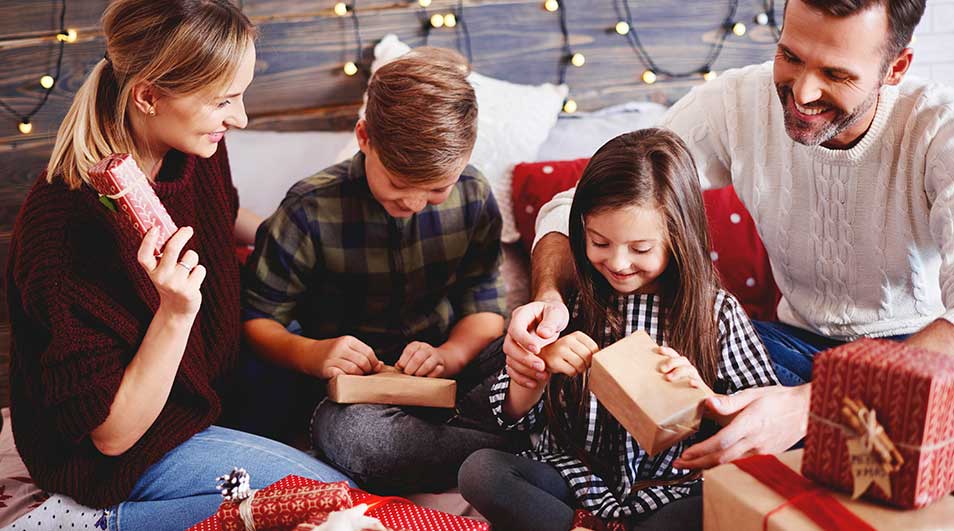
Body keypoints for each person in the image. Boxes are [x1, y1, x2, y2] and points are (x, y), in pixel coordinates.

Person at [506, 0, 954, 470]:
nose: (802, 93)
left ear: (896, 67)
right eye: (791, 57)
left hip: (914, 353)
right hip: (788, 348)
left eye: (836, 75)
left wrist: (812, 404)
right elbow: (569, 209)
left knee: (891, 443)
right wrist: (549, 295)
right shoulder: (735, 101)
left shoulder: (937, 129)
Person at [5, 2, 351, 530]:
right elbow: (112, 435)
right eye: (224, 101)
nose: (240, 117)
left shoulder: (191, 148)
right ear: (147, 95)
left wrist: (304, 250)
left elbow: (223, 214)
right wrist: (175, 310)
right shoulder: (66, 231)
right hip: (120, 450)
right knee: (333, 499)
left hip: (211, 383)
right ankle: (87, 522)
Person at [459, 129, 778, 531]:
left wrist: (706, 397)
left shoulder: (716, 313)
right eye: (599, 242)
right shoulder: (567, 306)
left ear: (679, 238)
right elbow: (510, 418)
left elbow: (759, 425)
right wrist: (538, 370)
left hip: (671, 486)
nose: (619, 262)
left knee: (721, 504)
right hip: (576, 479)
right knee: (480, 470)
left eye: (640, 249)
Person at [242, 47, 520, 494]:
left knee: (536, 346)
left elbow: (485, 304)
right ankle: (516, 449)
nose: (411, 205)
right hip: (351, 396)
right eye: (395, 184)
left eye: (434, 189)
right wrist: (313, 354)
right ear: (363, 137)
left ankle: (493, 443)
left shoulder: (472, 193)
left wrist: (451, 354)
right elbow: (256, 321)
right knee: (366, 442)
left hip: (448, 369)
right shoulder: (310, 208)